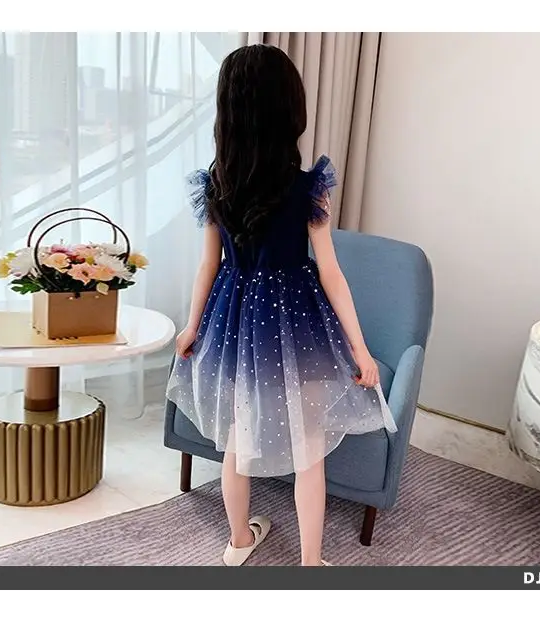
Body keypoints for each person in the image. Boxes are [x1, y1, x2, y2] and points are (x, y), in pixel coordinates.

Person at [166, 44, 396, 567]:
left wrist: (193, 325)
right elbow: (330, 272)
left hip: (233, 319)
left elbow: (208, 265)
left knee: (237, 439)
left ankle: (238, 543)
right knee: (308, 447)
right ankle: (310, 564)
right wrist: (359, 349)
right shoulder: (308, 188)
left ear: (228, 112)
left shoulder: (216, 185)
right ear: (289, 109)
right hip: (298, 320)